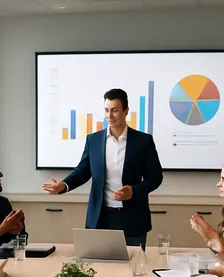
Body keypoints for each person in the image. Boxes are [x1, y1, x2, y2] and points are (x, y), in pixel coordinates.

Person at [42, 88, 163, 248]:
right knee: (99, 269)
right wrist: (64, 185)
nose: (109, 116)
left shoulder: (143, 141)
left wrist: (134, 191)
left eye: (115, 110)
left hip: (132, 219)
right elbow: (83, 170)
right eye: (106, 110)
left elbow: (155, 177)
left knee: (132, 269)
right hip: (100, 218)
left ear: (126, 111)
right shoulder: (94, 140)